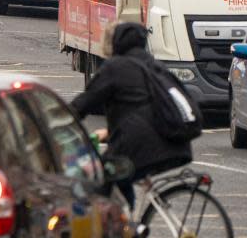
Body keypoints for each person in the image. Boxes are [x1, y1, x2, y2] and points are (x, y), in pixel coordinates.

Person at [70, 22, 193, 208]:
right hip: (175, 145)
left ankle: (122, 226)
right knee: (120, 178)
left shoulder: (115, 67)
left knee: (99, 177)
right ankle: (127, 221)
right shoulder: (153, 65)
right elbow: (138, 111)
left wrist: (58, 120)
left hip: (140, 149)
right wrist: (110, 132)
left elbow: (83, 104)